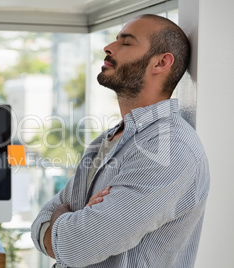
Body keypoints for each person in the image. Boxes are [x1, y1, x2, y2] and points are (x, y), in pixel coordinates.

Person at [31, 14, 210, 268]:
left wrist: (63, 218)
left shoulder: (170, 149)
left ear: (160, 62)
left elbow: (75, 246)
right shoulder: (107, 140)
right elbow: (41, 222)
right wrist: (71, 221)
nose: (109, 47)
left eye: (126, 43)